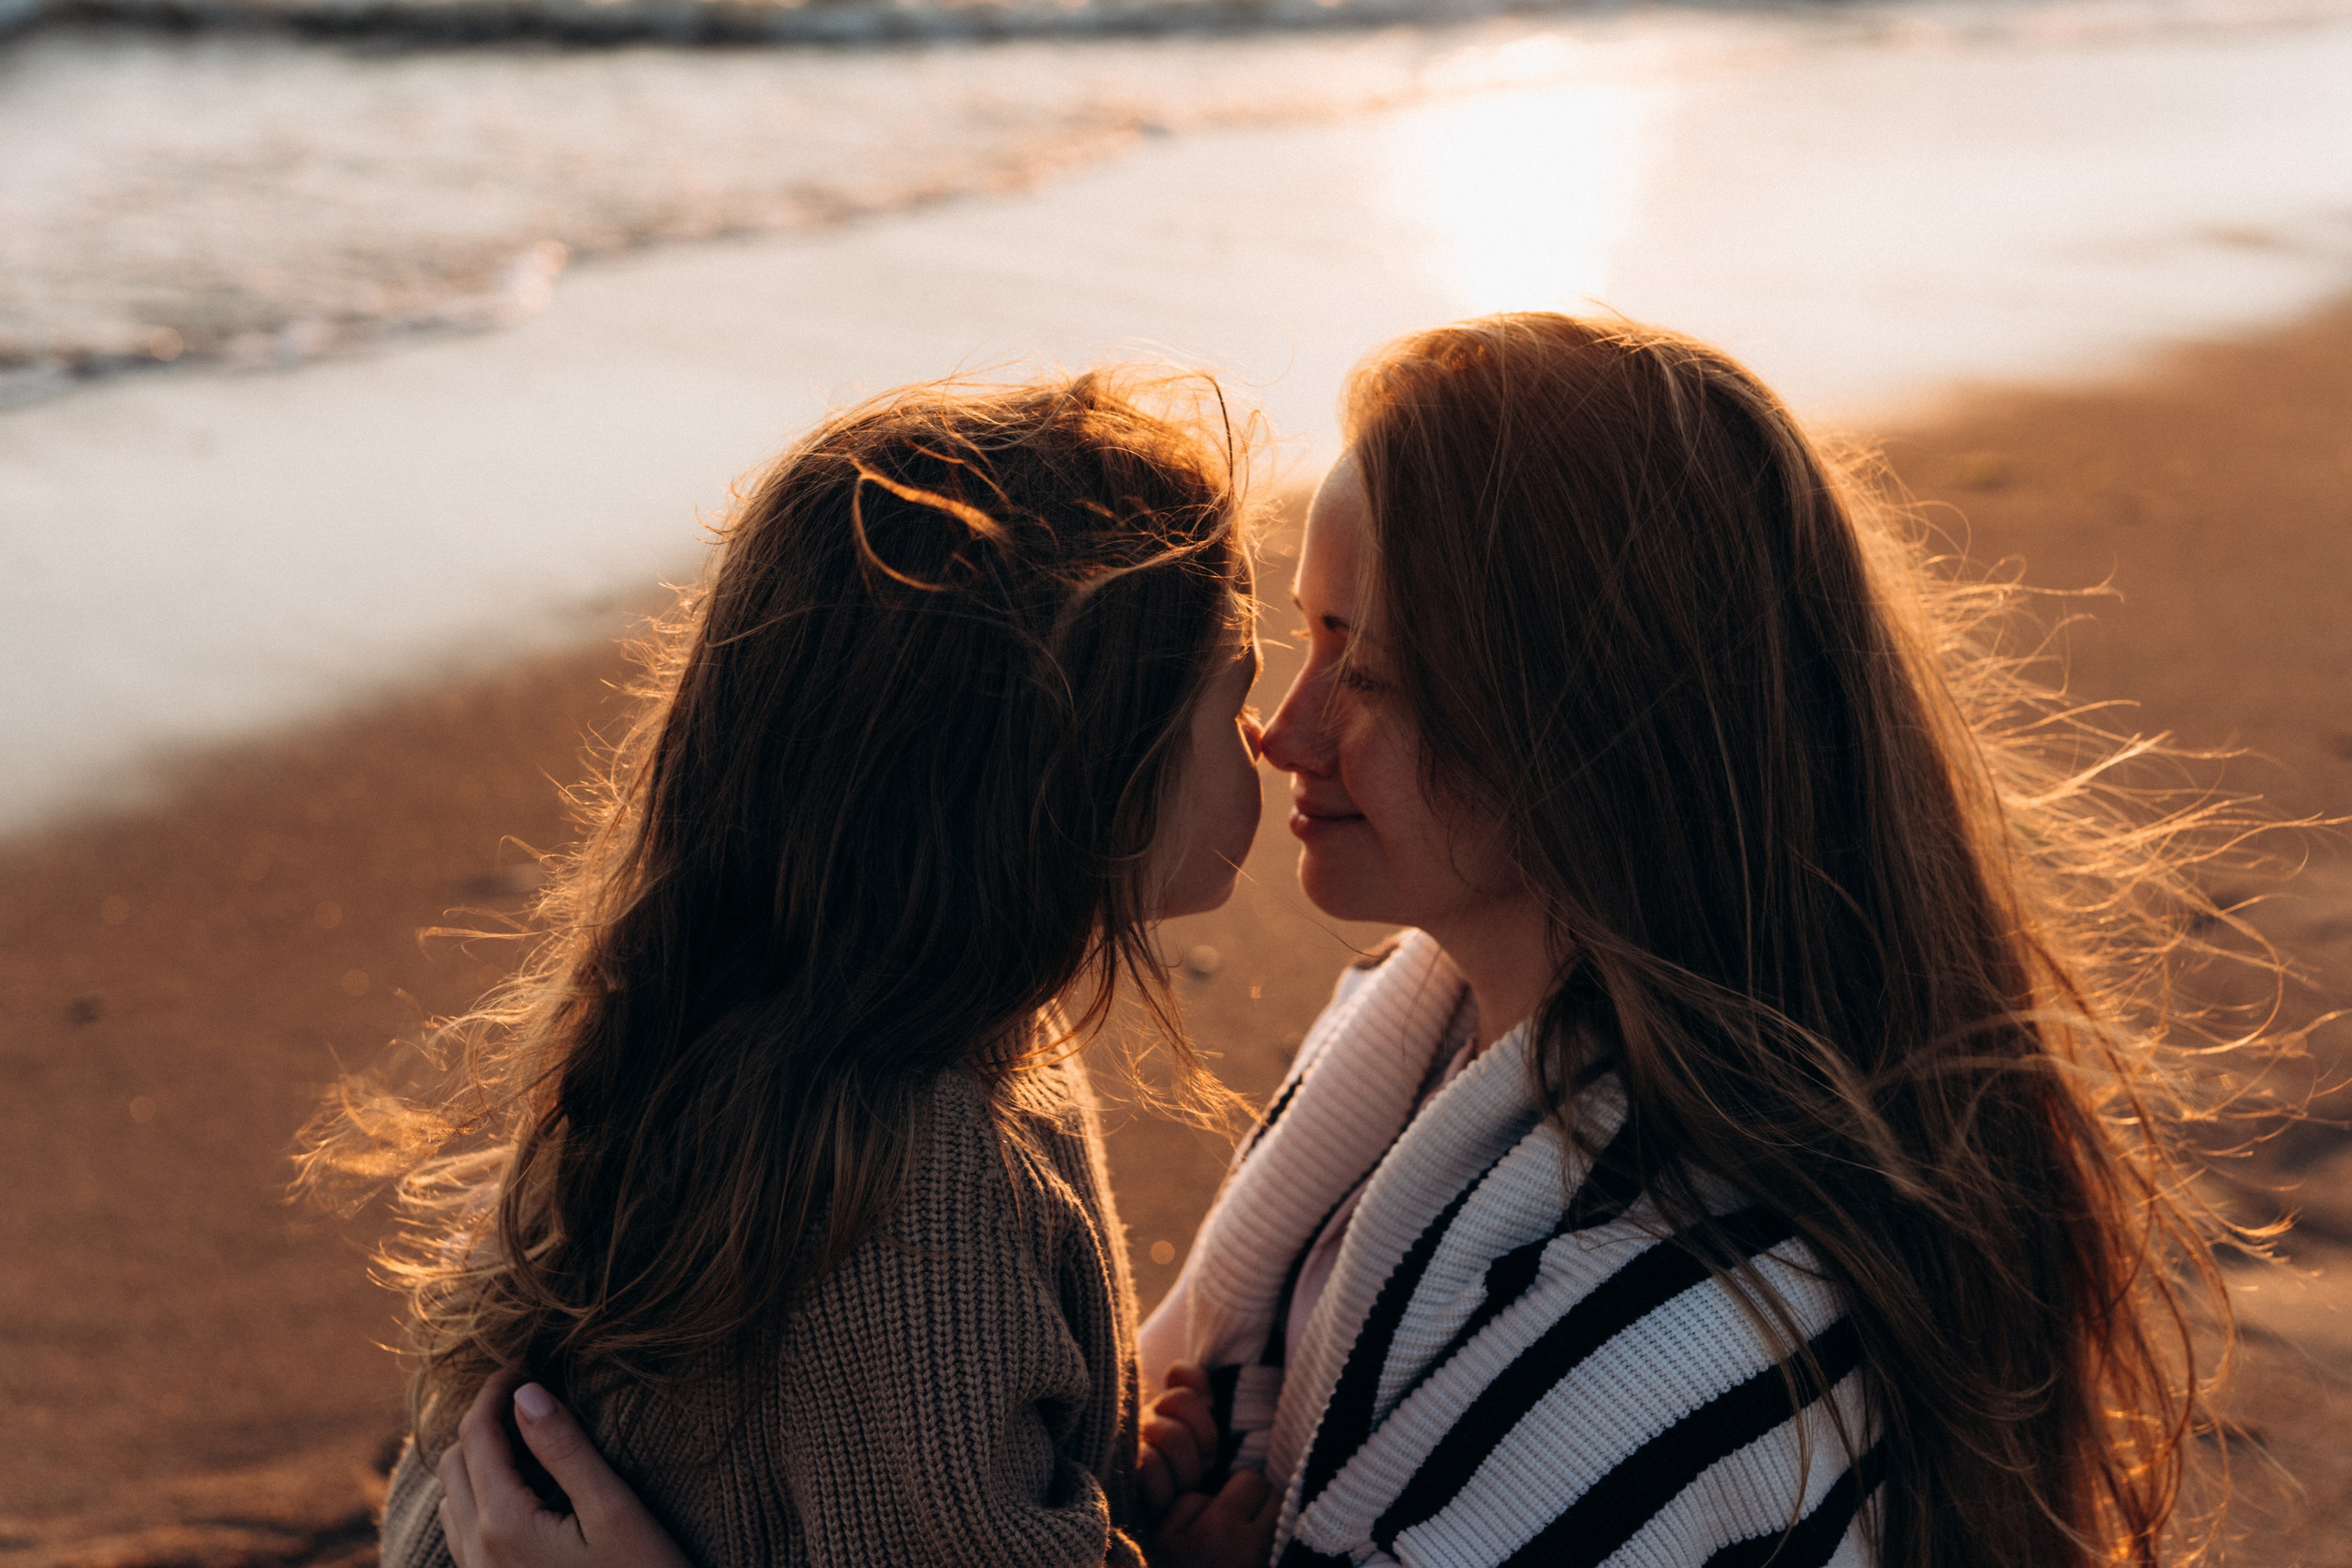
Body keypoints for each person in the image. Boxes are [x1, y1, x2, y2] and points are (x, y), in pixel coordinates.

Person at [424, 314, 2246, 1567]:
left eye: (1358, 666)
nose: (1282, 731)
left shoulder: (1672, 1350)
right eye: (1292, 642)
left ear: (1589, 726)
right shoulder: (1420, 1035)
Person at [300, 370, 1287, 1568]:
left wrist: (1095, 1478)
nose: (1271, 739)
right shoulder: (919, 1184)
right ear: (1071, 776)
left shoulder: (707, 1037)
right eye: (1233, 696)